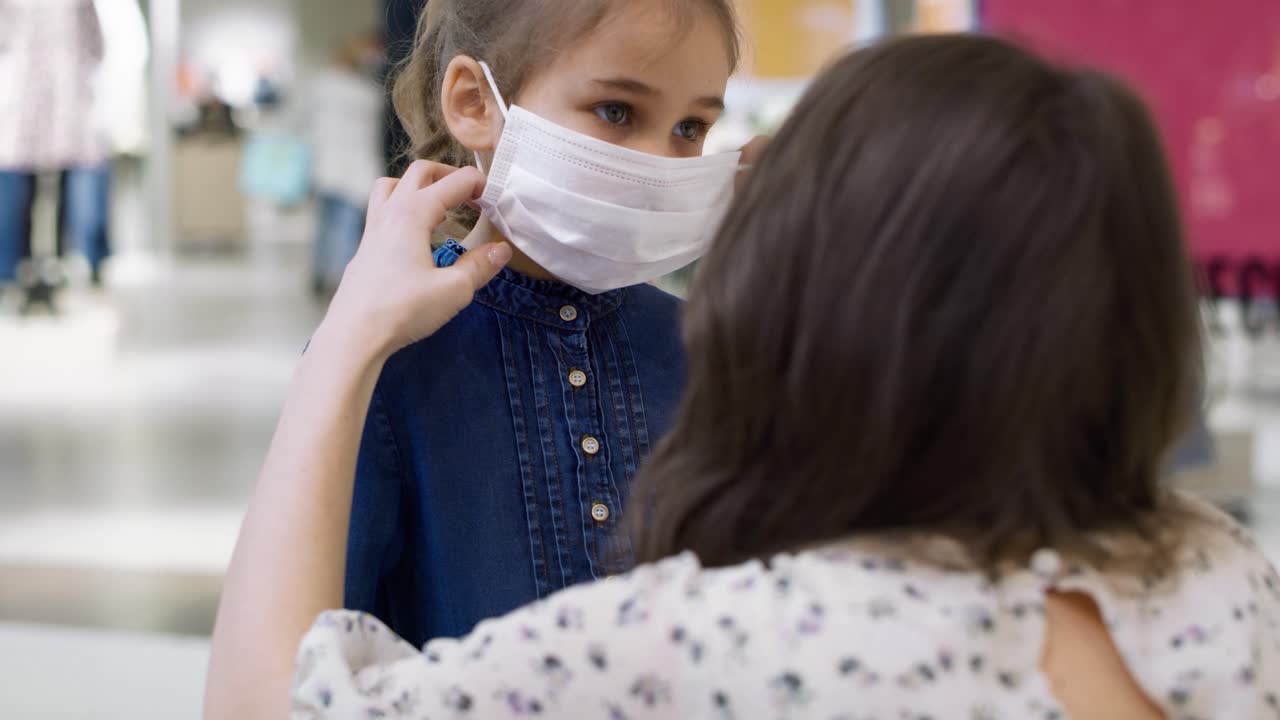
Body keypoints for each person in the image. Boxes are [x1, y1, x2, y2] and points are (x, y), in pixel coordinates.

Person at [206, 34, 1280, 719]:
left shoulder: (712, 643)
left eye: (697, 127)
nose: (676, 165)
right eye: (618, 114)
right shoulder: (1218, 574)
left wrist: (343, 340)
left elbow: (270, 703)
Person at [341, 0, 748, 649]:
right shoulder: (379, 357)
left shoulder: (710, 350)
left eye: (691, 126)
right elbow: (316, 656)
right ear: (475, 103)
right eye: (618, 111)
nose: (660, 165)